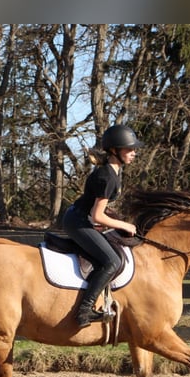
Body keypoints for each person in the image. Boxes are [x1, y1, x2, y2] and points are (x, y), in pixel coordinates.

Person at [63, 124, 142, 328]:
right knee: (112, 261)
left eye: (134, 149)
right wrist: (123, 223)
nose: (134, 153)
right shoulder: (107, 176)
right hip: (78, 222)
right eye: (129, 149)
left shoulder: (113, 172)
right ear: (115, 150)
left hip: (82, 218)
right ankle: (84, 311)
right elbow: (98, 215)